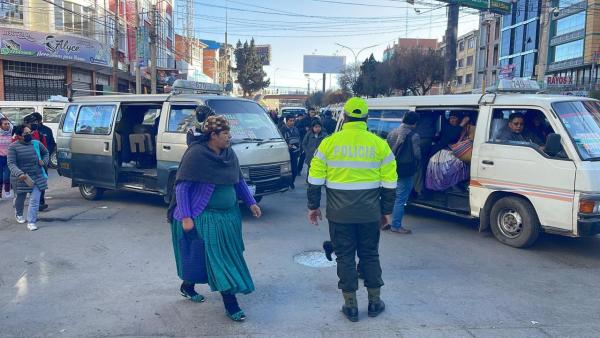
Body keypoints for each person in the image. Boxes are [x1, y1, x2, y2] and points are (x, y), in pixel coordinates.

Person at [307, 97, 397, 322]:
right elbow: (390, 183)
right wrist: (386, 211)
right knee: (370, 254)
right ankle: (375, 302)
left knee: (345, 256)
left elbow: (314, 179)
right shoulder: (379, 144)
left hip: (339, 215)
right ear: (366, 118)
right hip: (369, 214)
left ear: (344, 117)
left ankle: (351, 306)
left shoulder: (328, 143)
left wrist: (313, 207)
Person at [169, 115, 262, 322]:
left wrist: (251, 202)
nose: (229, 137)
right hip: (205, 216)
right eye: (226, 134)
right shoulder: (196, 155)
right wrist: (186, 217)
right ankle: (231, 305)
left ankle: (187, 286)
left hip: (229, 216)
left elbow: (238, 181)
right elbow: (182, 186)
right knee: (221, 260)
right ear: (213, 135)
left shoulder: (229, 154)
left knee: (208, 258)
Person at [7, 125, 49, 231]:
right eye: (26, 133)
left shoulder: (36, 143)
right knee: (20, 198)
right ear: (19, 136)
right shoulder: (13, 147)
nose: (29, 134)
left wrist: (43, 162)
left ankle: (31, 221)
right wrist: (20, 173)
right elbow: (11, 163)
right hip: (21, 177)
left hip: (37, 176)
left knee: (34, 200)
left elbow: (46, 153)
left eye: (30, 132)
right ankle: (19, 213)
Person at [386, 111, 420, 234]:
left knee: (389, 196)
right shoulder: (414, 136)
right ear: (415, 123)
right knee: (400, 199)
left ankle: (384, 221)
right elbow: (417, 155)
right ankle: (396, 225)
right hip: (405, 171)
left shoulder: (392, 133)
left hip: (390, 169)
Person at [30, 112, 54, 211]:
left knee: (42, 181)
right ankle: (34, 201)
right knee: (31, 182)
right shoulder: (28, 131)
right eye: (32, 122)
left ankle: (41, 201)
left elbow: (51, 144)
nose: (33, 123)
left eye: (35, 121)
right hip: (31, 161)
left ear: (40, 121)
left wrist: (45, 157)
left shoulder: (47, 130)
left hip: (42, 161)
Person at [280, 115, 301, 189]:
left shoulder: (296, 129)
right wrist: (286, 145)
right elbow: (279, 141)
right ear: (287, 121)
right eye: (290, 121)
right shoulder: (282, 130)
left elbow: (299, 139)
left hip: (294, 152)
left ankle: (291, 182)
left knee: (294, 170)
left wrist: (299, 150)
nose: (292, 122)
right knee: (285, 171)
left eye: (293, 121)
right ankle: (283, 185)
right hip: (285, 153)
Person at [0, 117, 12, 198]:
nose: (7, 125)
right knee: (0, 177)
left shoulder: (12, 133)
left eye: (8, 123)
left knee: (7, 177)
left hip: (9, 158)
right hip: (0, 158)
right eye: (5, 124)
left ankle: (7, 190)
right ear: (1, 125)